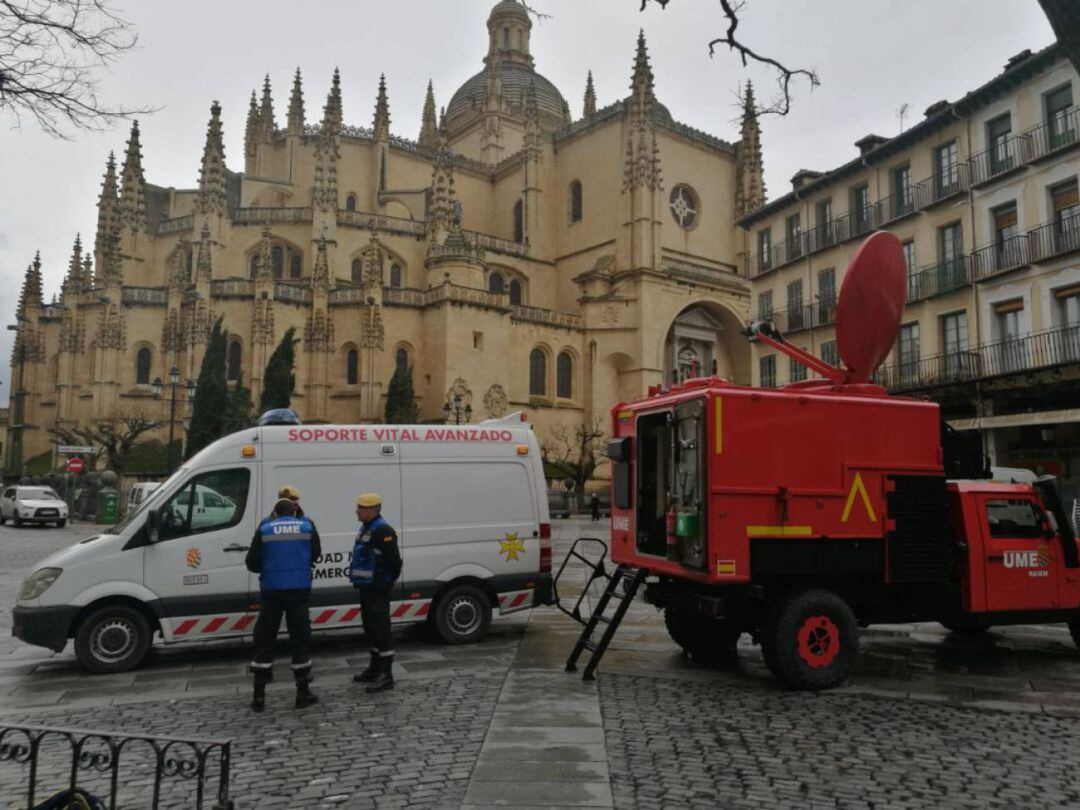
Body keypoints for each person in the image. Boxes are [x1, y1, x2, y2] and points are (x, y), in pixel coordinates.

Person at [245, 498, 322, 712]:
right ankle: (302, 692)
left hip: (271, 592)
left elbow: (251, 562)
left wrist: (271, 567)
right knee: (300, 639)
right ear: (294, 511)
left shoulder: (265, 528)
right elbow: (316, 554)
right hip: (299, 591)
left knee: (265, 639)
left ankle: (258, 696)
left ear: (275, 513)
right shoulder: (307, 526)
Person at [347, 493, 402, 693]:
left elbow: (394, 561)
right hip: (367, 587)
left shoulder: (383, 530)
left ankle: (386, 675)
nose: (357, 511)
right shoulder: (367, 528)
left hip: (378, 588)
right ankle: (374, 669)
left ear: (371, 510)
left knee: (381, 629)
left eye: (360, 508)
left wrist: (387, 581)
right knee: (370, 628)